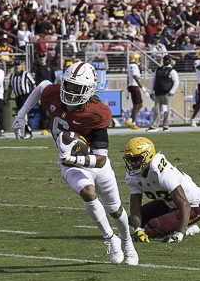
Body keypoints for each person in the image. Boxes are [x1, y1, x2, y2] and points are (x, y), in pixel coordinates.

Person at [12, 61, 138, 265]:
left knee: (115, 209)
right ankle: (110, 239)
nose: (70, 91)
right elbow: (42, 86)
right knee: (88, 193)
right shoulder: (53, 94)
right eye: (68, 85)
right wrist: (21, 114)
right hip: (70, 165)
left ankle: (128, 242)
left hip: (93, 162)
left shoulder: (97, 112)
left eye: (76, 88)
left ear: (88, 90)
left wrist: (73, 158)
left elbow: (101, 159)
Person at [123, 137, 200, 243]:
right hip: (169, 203)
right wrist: (138, 230)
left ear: (148, 156)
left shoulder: (162, 172)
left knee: (151, 228)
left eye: (136, 159)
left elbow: (184, 204)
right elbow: (135, 210)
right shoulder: (132, 177)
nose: (133, 163)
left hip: (193, 207)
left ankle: (186, 230)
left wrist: (179, 235)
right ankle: (170, 226)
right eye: (130, 160)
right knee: (131, 220)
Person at [146, 55, 179, 132]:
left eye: (167, 60)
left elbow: (176, 82)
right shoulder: (158, 70)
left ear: (170, 61)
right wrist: (151, 91)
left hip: (166, 93)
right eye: (165, 59)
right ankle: (154, 126)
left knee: (167, 110)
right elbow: (153, 81)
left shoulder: (172, 71)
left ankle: (165, 126)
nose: (166, 61)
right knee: (157, 110)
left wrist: (171, 91)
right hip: (158, 93)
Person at [5, 61, 36, 138]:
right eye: (15, 65)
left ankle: (28, 132)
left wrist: (36, 96)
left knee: (23, 114)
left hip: (26, 96)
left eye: (18, 65)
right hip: (18, 97)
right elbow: (9, 88)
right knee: (21, 115)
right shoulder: (12, 76)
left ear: (21, 66)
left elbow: (33, 85)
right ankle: (25, 131)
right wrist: (7, 98)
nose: (17, 67)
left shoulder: (26, 74)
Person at [126, 52, 145, 129]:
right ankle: (132, 122)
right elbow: (135, 77)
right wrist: (143, 88)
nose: (139, 60)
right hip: (134, 86)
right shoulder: (134, 66)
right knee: (137, 105)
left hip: (131, 86)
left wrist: (128, 92)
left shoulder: (130, 66)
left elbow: (128, 79)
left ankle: (131, 120)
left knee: (139, 105)